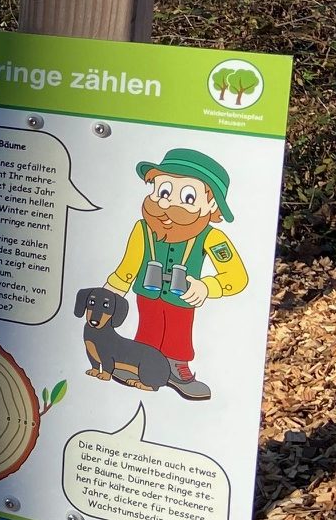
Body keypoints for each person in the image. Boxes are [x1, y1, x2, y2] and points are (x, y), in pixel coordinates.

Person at [102, 148, 247, 401]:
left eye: (188, 197)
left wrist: (207, 287)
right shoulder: (142, 229)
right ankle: (141, 363)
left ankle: (176, 368)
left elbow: (236, 276)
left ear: (211, 204)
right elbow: (129, 265)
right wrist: (113, 289)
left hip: (182, 299)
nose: (167, 204)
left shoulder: (212, 237)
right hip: (147, 294)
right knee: (147, 328)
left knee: (179, 332)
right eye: (163, 192)